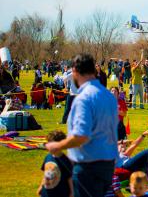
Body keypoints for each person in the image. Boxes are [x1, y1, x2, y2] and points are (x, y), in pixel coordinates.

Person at [45, 54, 118, 197]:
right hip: (108, 164)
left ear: (75, 72)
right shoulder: (108, 96)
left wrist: (57, 146)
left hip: (88, 166)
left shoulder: (84, 98)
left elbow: (81, 136)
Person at [38, 130, 73, 197]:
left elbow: (70, 178)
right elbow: (46, 174)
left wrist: (72, 192)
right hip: (47, 192)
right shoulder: (48, 157)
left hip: (60, 193)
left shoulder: (65, 161)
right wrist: (41, 186)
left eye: (51, 144)